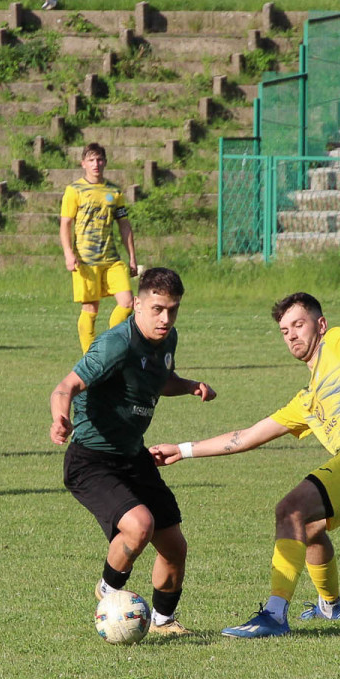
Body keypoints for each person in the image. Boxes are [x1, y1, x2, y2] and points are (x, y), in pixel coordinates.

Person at [150, 265, 340, 638]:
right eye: (285, 331)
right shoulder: (307, 399)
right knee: (309, 527)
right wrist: (183, 450)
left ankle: (274, 614)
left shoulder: (338, 343)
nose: (291, 336)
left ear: (320, 325)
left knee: (290, 509)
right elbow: (247, 436)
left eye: (298, 325)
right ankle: (331, 608)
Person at [49, 267, 216, 637]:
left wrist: (190, 386)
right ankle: (108, 591)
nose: (165, 318)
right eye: (157, 309)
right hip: (91, 459)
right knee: (140, 526)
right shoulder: (116, 344)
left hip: (132, 456)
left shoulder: (167, 340)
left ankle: (163, 622)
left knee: (174, 546)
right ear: (137, 304)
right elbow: (66, 386)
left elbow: (160, 378)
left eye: (172, 310)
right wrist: (60, 418)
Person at [59, 143, 137, 354]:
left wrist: (132, 257)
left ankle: (112, 346)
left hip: (112, 260)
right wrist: (68, 253)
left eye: (100, 159)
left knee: (128, 303)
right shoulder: (74, 190)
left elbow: (124, 225)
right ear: (83, 163)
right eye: (91, 160)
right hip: (86, 261)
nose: (96, 164)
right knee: (91, 309)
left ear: (105, 162)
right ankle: (90, 359)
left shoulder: (114, 191)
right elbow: (66, 223)